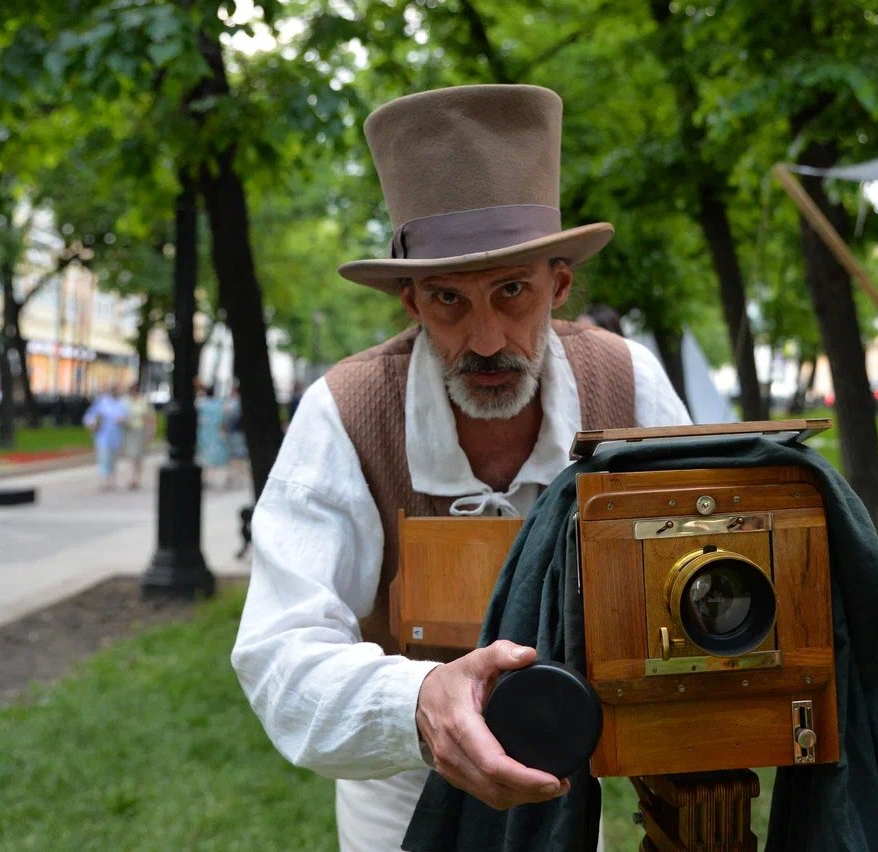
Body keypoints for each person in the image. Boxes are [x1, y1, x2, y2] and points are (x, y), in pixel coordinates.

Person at [231, 84, 690, 852]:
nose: (485, 340)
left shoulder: (628, 385)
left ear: (558, 286)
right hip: (402, 785)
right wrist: (418, 704)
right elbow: (281, 655)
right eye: (449, 299)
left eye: (512, 292)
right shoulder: (344, 412)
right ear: (411, 302)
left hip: (574, 774)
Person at [82, 384, 128, 492]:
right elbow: (90, 416)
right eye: (114, 390)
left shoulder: (122, 404)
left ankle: (112, 480)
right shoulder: (102, 403)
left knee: (113, 459)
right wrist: (93, 424)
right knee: (104, 458)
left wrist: (123, 420)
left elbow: (126, 418)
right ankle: (104, 480)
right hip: (103, 435)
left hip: (116, 436)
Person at [194, 380, 231, 488]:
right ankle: (216, 479)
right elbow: (225, 420)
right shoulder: (220, 404)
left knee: (204, 456)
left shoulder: (201, 404)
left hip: (203, 433)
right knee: (217, 457)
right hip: (217, 434)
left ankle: (205, 478)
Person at [120, 383, 155, 490]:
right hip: (128, 431)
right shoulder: (125, 401)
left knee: (138, 455)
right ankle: (132, 477)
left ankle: (136, 478)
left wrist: (151, 431)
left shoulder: (143, 401)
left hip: (140, 430)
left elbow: (150, 416)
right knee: (131, 455)